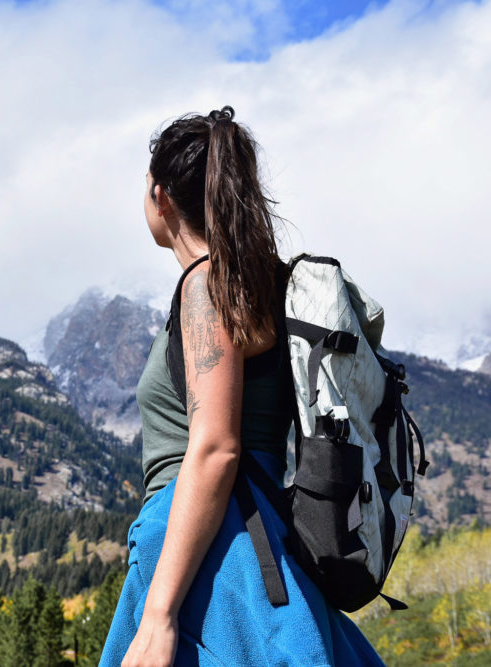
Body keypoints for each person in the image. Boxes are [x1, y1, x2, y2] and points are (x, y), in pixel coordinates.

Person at [99, 106, 384, 666]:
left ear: (160, 196)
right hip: (260, 537)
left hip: (199, 543)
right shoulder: (267, 285)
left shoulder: (206, 285)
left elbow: (214, 447)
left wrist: (158, 616)